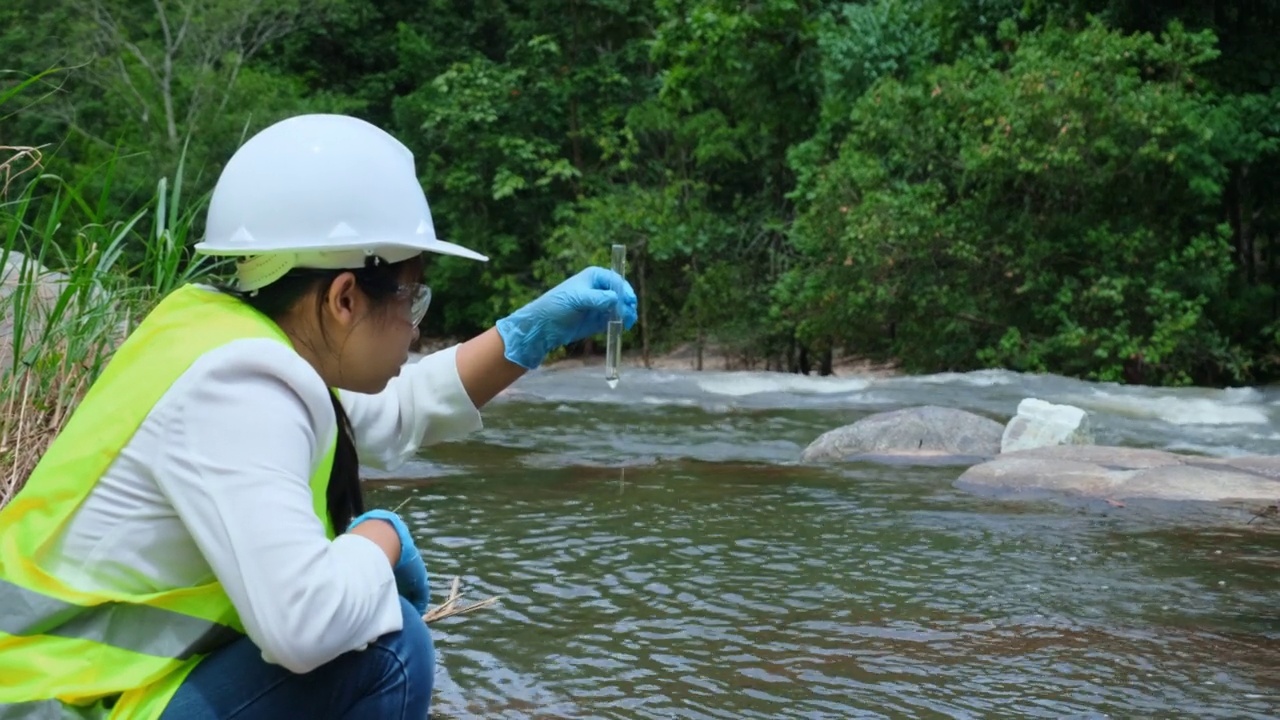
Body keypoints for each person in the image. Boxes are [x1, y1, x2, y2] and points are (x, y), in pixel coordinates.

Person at [0, 113, 637, 720]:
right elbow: (304, 627)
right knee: (389, 649)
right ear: (344, 296)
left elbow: (394, 411)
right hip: (57, 703)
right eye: (413, 299)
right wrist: (380, 538)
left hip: (73, 689)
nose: (415, 327)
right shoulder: (241, 388)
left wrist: (526, 334)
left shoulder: (223, 338)